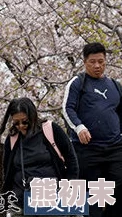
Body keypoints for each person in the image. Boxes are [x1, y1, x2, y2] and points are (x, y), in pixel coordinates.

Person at [62, 42, 122, 217]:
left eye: (101, 62)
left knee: (119, 187)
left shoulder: (115, 85)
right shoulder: (78, 83)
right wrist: (79, 127)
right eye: (93, 62)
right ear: (85, 62)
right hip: (88, 149)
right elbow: (67, 108)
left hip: (114, 147)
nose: (97, 66)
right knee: (91, 194)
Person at [0, 97, 79, 216]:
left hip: (51, 198)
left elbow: (72, 161)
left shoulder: (50, 130)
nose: (21, 126)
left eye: (25, 121)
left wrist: (68, 188)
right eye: (16, 123)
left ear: (32, 116)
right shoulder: (12, 139)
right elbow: (8, 170)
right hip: (21, 201)